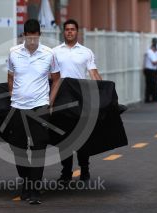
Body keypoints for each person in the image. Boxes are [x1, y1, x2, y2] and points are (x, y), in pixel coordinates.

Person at [7, 19, 61, 204]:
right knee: (18, 148)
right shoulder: (13, 53)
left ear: (39, 35)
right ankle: (27, 180)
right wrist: (13, 95)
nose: (31, 41)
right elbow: (10, 76)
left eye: (34, 37)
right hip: (18, 106)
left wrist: (50, 102)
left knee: (39, 147)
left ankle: (35, 190)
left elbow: (56, 79)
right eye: (28, 37)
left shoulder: (48, 54)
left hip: (40, 106)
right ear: (24, 36)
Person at [53, 19, 102, 185]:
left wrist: (103, 92)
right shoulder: (54, 52)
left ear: (77, 32)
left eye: (72, 29)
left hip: (80, 100)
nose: (69, 32)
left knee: (82, 137)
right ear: (63, 32)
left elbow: (94, 74)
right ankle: (66, 172)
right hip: (60, 101)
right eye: (67, 29)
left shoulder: (86, 52)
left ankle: (85, 169)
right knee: (64, 138)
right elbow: (48, 75)